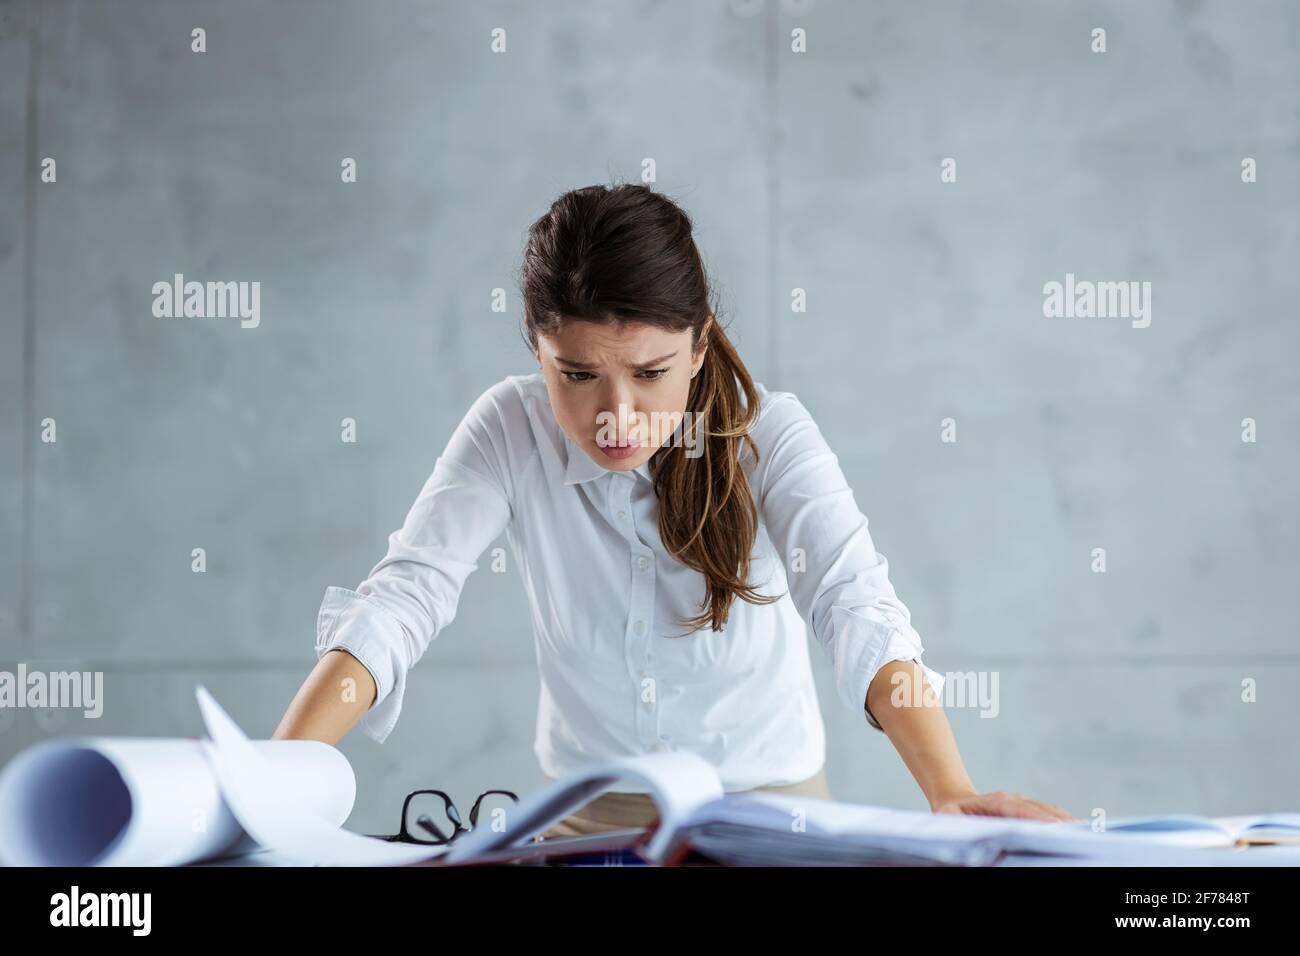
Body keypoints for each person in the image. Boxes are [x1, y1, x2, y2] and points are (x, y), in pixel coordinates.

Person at [273, 182, 1073, 839]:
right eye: (577, 376)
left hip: (770, 814)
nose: (616, 415)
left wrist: (949, 789)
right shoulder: (507, 428)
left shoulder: (771, 436)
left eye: (651, 373)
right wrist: (273, 782)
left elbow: (854, 603)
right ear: (536, 349)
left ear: (698, 346)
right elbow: (403, 598)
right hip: (586, 823)